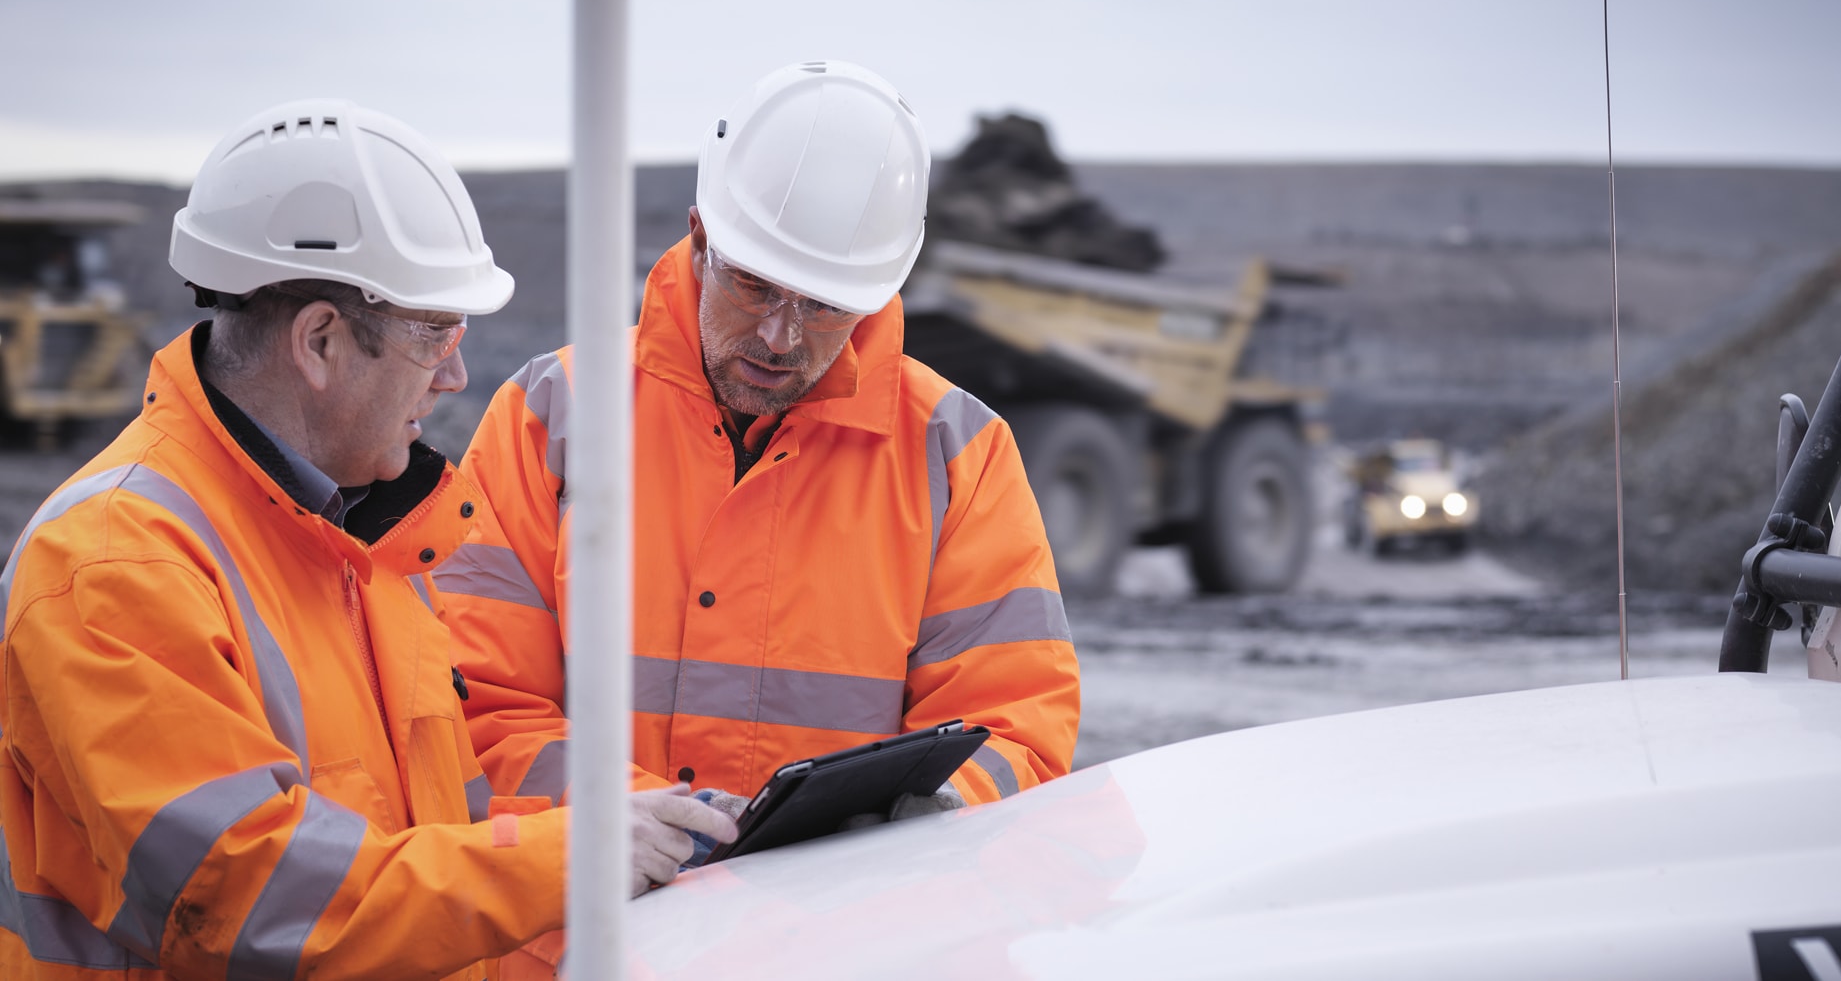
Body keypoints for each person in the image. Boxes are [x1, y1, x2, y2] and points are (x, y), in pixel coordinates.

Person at [0, 98, 734, 980]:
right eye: (436, 334)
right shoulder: (114, 563)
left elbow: (430, 851)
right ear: (319, 339)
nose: (458, 374)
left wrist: (652, 828)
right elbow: (240, 894)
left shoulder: (364, 546)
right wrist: (569, 861)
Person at [436, 61, 1080, 970]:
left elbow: (1017, 726)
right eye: (756, 287)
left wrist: (934, 819)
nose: (782, 337)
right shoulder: (555, 414)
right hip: (580, 951)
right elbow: (469, 706)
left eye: (824, 306)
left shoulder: (955, 452)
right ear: (700, 236)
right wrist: (615, 819)